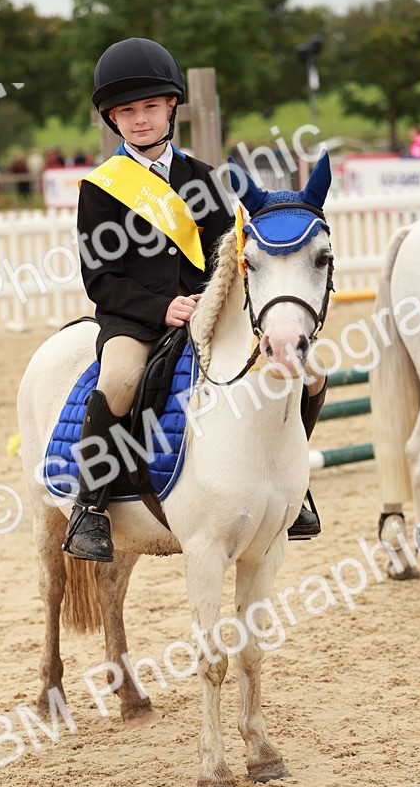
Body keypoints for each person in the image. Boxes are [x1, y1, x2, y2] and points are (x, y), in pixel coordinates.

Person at [62, 37, 325, 562]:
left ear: (171, 108)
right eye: (128, 112)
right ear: (114, 119)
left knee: (312, 374)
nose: (141, 120)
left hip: (203, 313)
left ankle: (293, 489)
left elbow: (226, 257)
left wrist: (205, 302)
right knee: (119, 380)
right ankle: (89, 506)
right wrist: (161, 308)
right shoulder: (100, 188)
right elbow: (101, 278)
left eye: (150, 108)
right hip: (134, 318)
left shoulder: (203, 178)